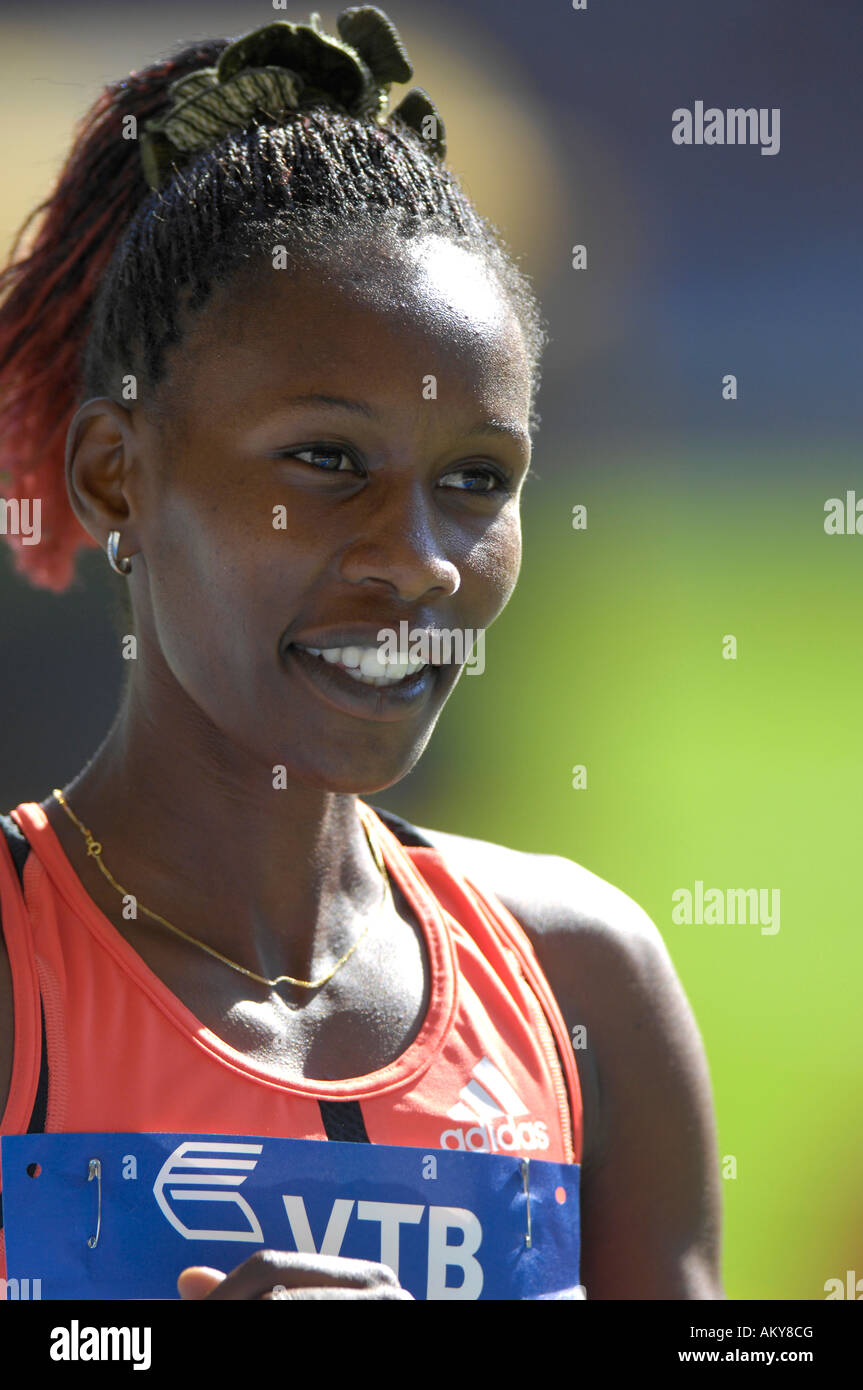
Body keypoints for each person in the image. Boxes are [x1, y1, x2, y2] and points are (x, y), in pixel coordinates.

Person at [0, 7, 723, 1300]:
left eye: (476, 479)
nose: (424, 558)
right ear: (117, 473)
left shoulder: (584, 978)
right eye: (328, 461)